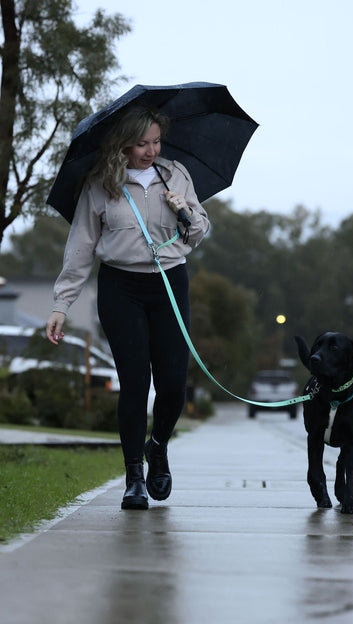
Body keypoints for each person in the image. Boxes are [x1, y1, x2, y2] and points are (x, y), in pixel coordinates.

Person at [46, 106, 210, 510]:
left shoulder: (176, 175)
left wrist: (183, 212)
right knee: (135, 383)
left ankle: (158, 447)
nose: (151, 150)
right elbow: (81, 246)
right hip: (121, 287)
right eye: (142, 143)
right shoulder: (100, 185)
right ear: (123, 143)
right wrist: (61, 303)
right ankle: (134, 476)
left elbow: (199, 231)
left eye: (156, 141)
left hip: (170, 281)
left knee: (173, 383)